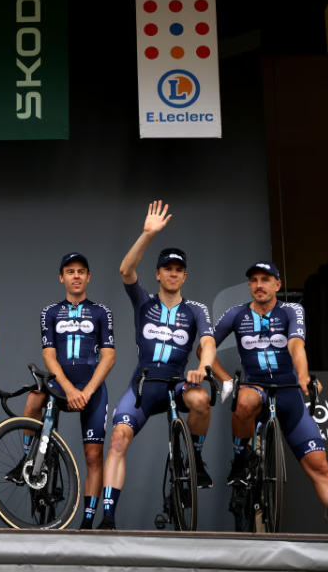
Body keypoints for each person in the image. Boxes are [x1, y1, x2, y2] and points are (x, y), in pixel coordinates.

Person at [100, 201, 217, 529]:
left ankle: (194, 456)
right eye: (167, 268)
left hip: (178, 383)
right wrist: (147, 234)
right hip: (144, 385)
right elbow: (125, 271)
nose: (173, 273)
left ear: (184, 275)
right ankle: (108, 515)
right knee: (119, 437)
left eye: (178, 269)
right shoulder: (144, 301)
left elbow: (207, 343)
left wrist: (204, 369)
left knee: (200, 400)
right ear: (158, 274)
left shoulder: (195, 309)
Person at [210, 261, 328, 506]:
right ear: (249, 286)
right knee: (244, 400)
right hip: (255, 388)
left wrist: (303, 376)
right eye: (254, 280)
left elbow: (296, 344)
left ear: (277, 284)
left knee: (321, 468)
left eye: (265, 280)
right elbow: (205, 346)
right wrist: (224, 378)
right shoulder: (236, 313)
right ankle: (239, 458)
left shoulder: (291, 310)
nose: (259, 285)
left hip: (288, 394)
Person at [11, 253, 115, 529]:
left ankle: (88, 522)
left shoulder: (101, 311)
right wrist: (69, 389)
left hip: (91, 388)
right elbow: (49, 356)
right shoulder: (51, 312)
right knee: (34, 398)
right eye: (70, 271)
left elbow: (109, 356)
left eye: (82, 271)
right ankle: (27, 458)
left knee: (94, 456)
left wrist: (88, 390)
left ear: (88, 277)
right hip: (61, 385)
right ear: (62, 277)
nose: (76, 276)